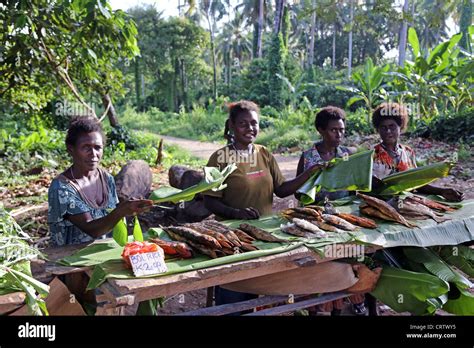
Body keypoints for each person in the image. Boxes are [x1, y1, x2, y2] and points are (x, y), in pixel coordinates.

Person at [203, 100, 327, 309]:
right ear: (232, 126)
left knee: (261, 289)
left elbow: (281, 189)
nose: (250, 128)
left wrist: (309, 173)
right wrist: (235, 213)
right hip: (232, 238)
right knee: (234, 292)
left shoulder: (264, 153)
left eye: (254, 123)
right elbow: (209, 201)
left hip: (263, 236)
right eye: (243, 124)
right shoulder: (219, 158)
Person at [296, 106, 366, 316]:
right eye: (333, 130)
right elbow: (298, 194)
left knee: (345, 262)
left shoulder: (347, 155)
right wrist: (312, 176)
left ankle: (342, 304)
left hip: (343, 220)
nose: (339, 135)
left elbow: (356, 188)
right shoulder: (308, 157)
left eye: (342, 130)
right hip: (315, 220)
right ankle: (315, 306)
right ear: (321, 130)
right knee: (320, 265)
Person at [48, 116, 153, 247]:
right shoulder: (61, 188)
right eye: (86, 147)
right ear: (71, 149)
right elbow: (92, 229)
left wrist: (133, 207)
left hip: (103, 252)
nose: (93, 154)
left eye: (98, 147)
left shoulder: (106, 178)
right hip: (69, 259)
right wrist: (121, 211)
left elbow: (111, 220)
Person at [372, 102, 464, 202]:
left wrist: (442, 191)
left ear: (400, 127)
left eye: (392, 126)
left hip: (407, 204)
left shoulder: (408, 152)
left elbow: (416, 183)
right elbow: (365, 188)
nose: (388, 131)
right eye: (383, 127)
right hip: (381, 205)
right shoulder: (372, 155)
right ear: (378, 130)